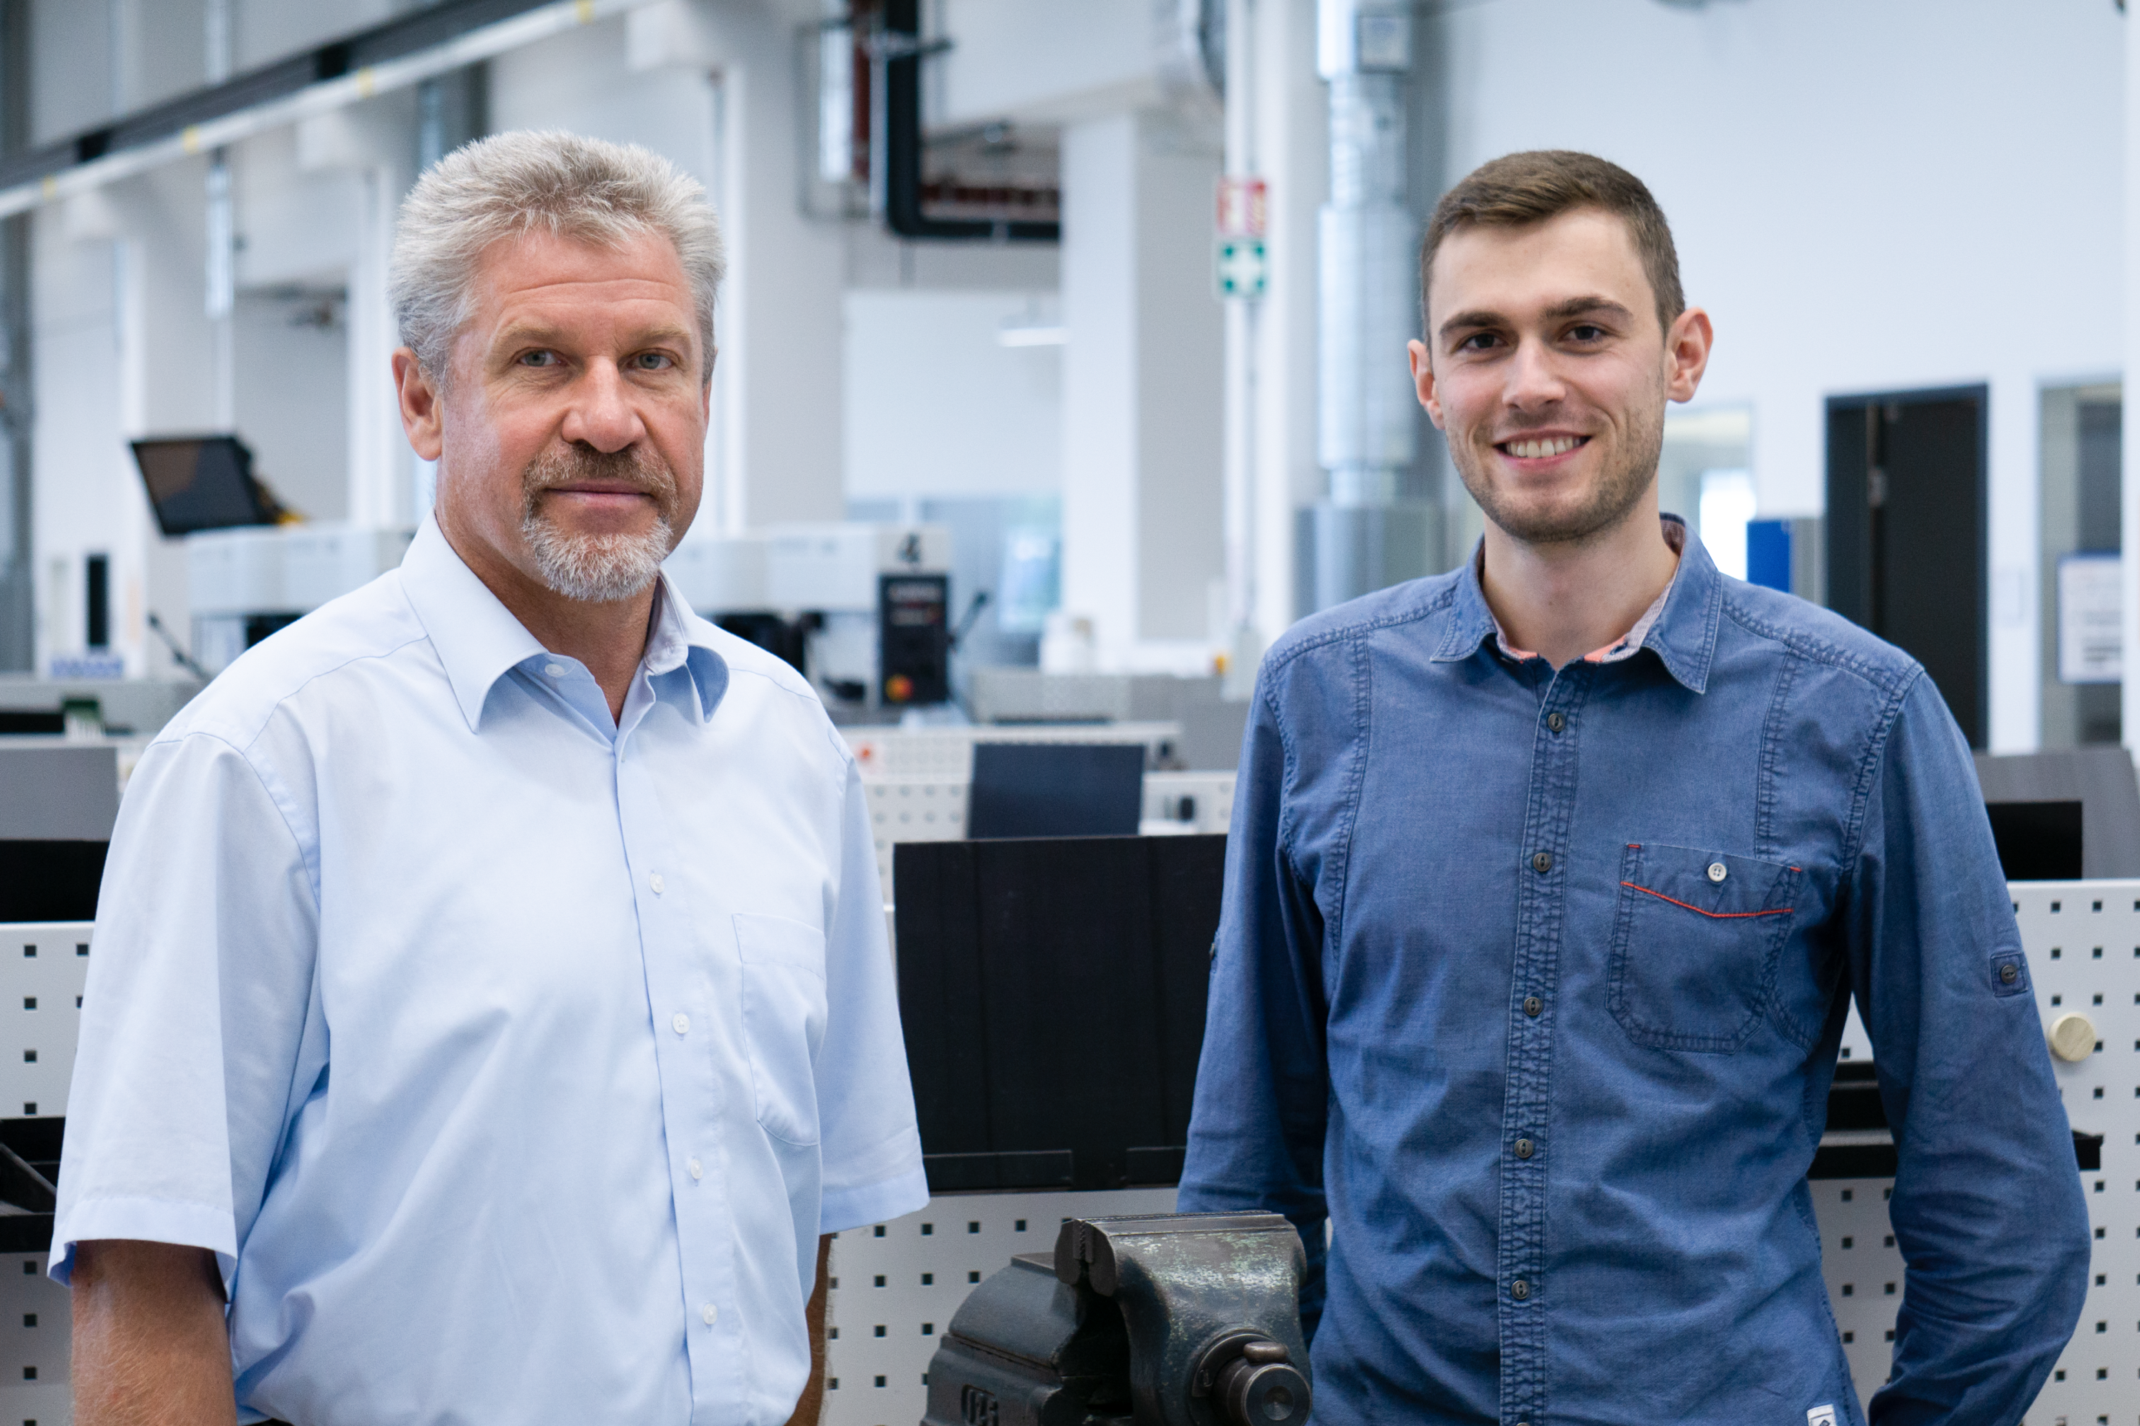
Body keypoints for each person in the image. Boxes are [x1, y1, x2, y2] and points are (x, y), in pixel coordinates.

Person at [1177, 150, 2090, 1425]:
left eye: (1583, 330)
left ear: (1682, 354)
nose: (1529, 383)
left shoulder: (1857, 713)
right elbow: (1242, 1177)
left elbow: (2003, 1207)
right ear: (1429, 382)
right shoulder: (1320, 698)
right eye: (1482, 340)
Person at [54, 130, 927, 1425]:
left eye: (654, 361)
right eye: (541, 360)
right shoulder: (265, 759)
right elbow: (142, 1281)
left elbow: (795, 1234)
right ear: (421, 400)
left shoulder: (787, 742)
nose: (609, 418)